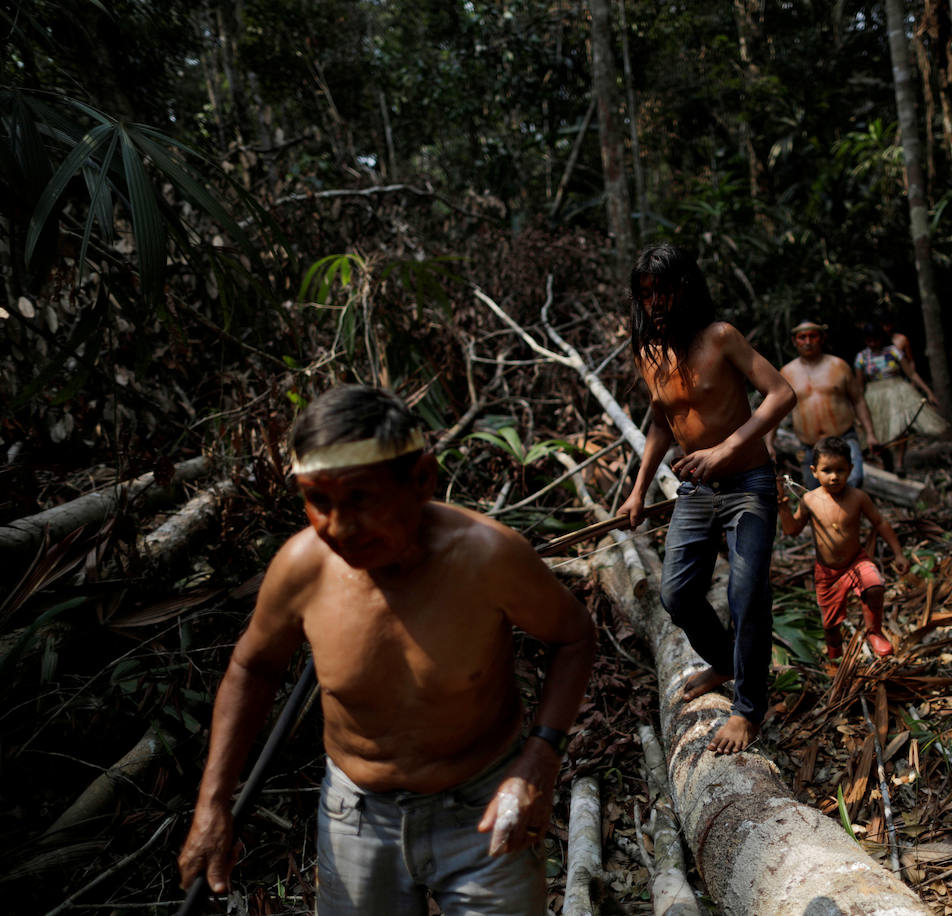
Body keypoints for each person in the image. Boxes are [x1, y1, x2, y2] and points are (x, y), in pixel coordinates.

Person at [177, 385, 595, 916]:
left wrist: (541, 756)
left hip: (484, 805)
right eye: (317, 500)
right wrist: (213, 804)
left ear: (422, 479)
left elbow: (574, 635)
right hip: (357, 816)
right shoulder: (302, 569)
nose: (338, 527)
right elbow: (252, 666)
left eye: (361, 498)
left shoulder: (487, 559)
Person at [616, 243, 796, 755]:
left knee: (746, 595)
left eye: (663, 290)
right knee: (676, 594)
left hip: (749, 485)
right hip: (695, 489)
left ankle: (747, 708)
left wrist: (727, 448)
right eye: (645, 293)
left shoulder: (721, 337)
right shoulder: (649, 352)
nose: (654, 302)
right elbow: (659, 421)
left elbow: (781, 392)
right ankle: (725, 661)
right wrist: (637, 490)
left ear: (686, 288)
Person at [778, 436, 910, 659]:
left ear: (850, 469)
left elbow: (880, 522)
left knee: (875, 585)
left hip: (856, 561)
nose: (834, 476)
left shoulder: (858, 497)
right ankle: (835, 653)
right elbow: (792, 531)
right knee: (830, 623)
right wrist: (783, 509)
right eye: (827, 470)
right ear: (814, 471)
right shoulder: (809, 500)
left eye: (840, 470)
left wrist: (898, 553)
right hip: (827, 571)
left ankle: (874, 632)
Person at [768, 319, 877, 489]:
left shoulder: (839, 365)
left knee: (852, 484)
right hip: (810, 446)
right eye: (802, 337)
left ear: (822, 338)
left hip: (844, 438)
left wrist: (870, 433)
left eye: (813, 336)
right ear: (794, 341)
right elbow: (776, 409)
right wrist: (769, 442)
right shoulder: (787, 373)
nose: (808, 341)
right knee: (816, 496)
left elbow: (858, 400)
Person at [853, 322, 946, 471]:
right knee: (878, 431)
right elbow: (859, 386)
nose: (873, 343)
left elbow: (911, 373)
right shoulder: (861, 357)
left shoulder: (893, 351)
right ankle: (887, 462)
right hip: (874, 395)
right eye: (869, 340)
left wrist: (928, 392)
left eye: (875, 340)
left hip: (898, 391)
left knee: (901, 428)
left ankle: (899, 462)